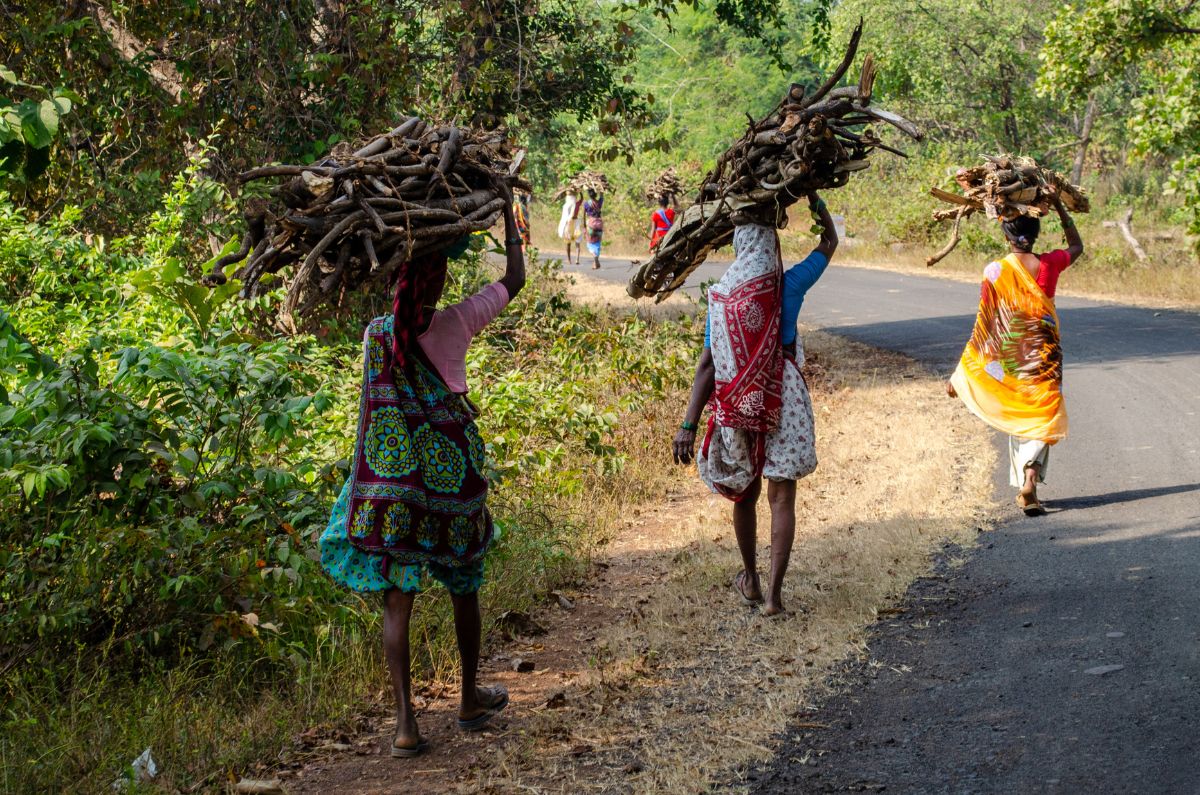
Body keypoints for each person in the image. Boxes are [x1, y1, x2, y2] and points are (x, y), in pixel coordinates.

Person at [319, 179, 527, 758]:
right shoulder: (456, 322)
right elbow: (513, 281)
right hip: (452, 476)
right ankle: (466, 700)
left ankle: (406, 725)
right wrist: (510, 223)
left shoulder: (376, 336)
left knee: (397, 598)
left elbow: (372, 417)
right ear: (436, 283)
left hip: (395, 486)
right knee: (464, 584)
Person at [672, 192, 838, 617]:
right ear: (771, 245)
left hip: (736, 399)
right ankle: (775, 597)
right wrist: (815, 202)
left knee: (745, 493)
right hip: (783, 397)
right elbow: (829, 243)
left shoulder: (721, 297)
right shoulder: (790, 285)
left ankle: (750, 577)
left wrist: (688, 426)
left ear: (739, 245)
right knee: (782, 498)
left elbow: (707, 366)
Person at [946, 188, 1083, 516]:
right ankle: (1030, 480)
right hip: (1045, 356)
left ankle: (1026, 483)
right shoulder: (1048, 264)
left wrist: (961, 373)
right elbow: (1077, 247)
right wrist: (1063, 209)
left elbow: (984, 323)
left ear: (1006, 234)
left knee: (1018, 412)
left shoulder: (995, 270)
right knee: (1043, 414)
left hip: (1011, 356)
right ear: (1035, 235)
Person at [558, 189, 582, 265]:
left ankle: (569, 260)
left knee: (568, 243)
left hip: (568, 224)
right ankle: (577, 259)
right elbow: (582, 199)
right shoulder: (577, 204)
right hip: (576, 222)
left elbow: (564, 217)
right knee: (577, 242)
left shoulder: (565, 206)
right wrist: (580, 192)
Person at [582, 188, 604, 269]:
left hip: (591, 224)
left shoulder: (586, 204)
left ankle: (595, 258)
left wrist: (584, 226)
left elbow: (583, 216)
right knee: (597, 242)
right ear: (595, 194)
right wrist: (601, 187)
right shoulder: (599, 203)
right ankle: (596, 262)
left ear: (589, 194)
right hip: (599, 224)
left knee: (590, 243)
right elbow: (602, 195)